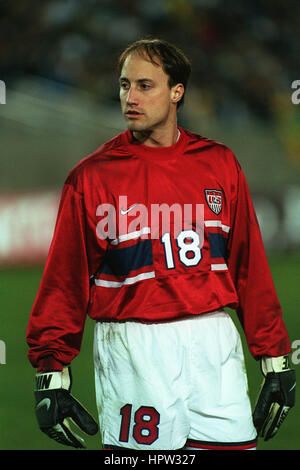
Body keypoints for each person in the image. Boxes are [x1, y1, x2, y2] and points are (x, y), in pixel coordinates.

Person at [26, 38, 295, 451]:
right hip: (135, 348)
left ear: (176, 91)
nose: (129, 97)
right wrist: (51, 370)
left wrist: (275, 358)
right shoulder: (92, 177)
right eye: (123, 85)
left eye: (144, 86)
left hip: (214, 343)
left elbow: (248, 266)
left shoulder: (220, 163)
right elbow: (65, 279)